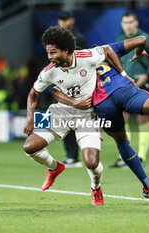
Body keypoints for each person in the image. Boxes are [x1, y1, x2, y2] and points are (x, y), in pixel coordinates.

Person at [51, 36, 149, 198]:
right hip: (123, 89)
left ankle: (148, 185)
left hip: (103, 105)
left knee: (122, 141)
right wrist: (139, 52)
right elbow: (141, 39)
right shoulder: (103, 50)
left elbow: (60, 92)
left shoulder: (73, 69)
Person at [23, 26, 126, 206]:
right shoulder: (49, 70)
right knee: (29, 147)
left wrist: (124, 75)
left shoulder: (87, 57)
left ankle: (96, 187)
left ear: (66, 50)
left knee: (92, 163)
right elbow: (33, 93)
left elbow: (108, 50)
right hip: (60, 112)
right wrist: (30, 117)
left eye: (53, 53)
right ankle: (54, 167)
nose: (50, 57)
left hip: (87, 115)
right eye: (48, 53)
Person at [110, 11, 149, 168]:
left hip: (141, 83)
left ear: (136, 23)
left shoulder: (145, 39)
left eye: (130, 22)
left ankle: (141, 156)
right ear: (122, 24)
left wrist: (147, 75)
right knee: (122, 119)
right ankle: (125, 157)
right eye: (125, 22)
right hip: (124, 84)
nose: (128, 25)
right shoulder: (120, 40)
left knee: (143, 119)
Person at [57, 10, 88, 168]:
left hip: (77, 86)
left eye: (65, 19)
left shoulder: (79, 39)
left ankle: (75, 156)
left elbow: (86, 62)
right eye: (60, 19)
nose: (62, 22)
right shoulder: (55, 40)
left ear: (72, 21)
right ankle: (70, 155)